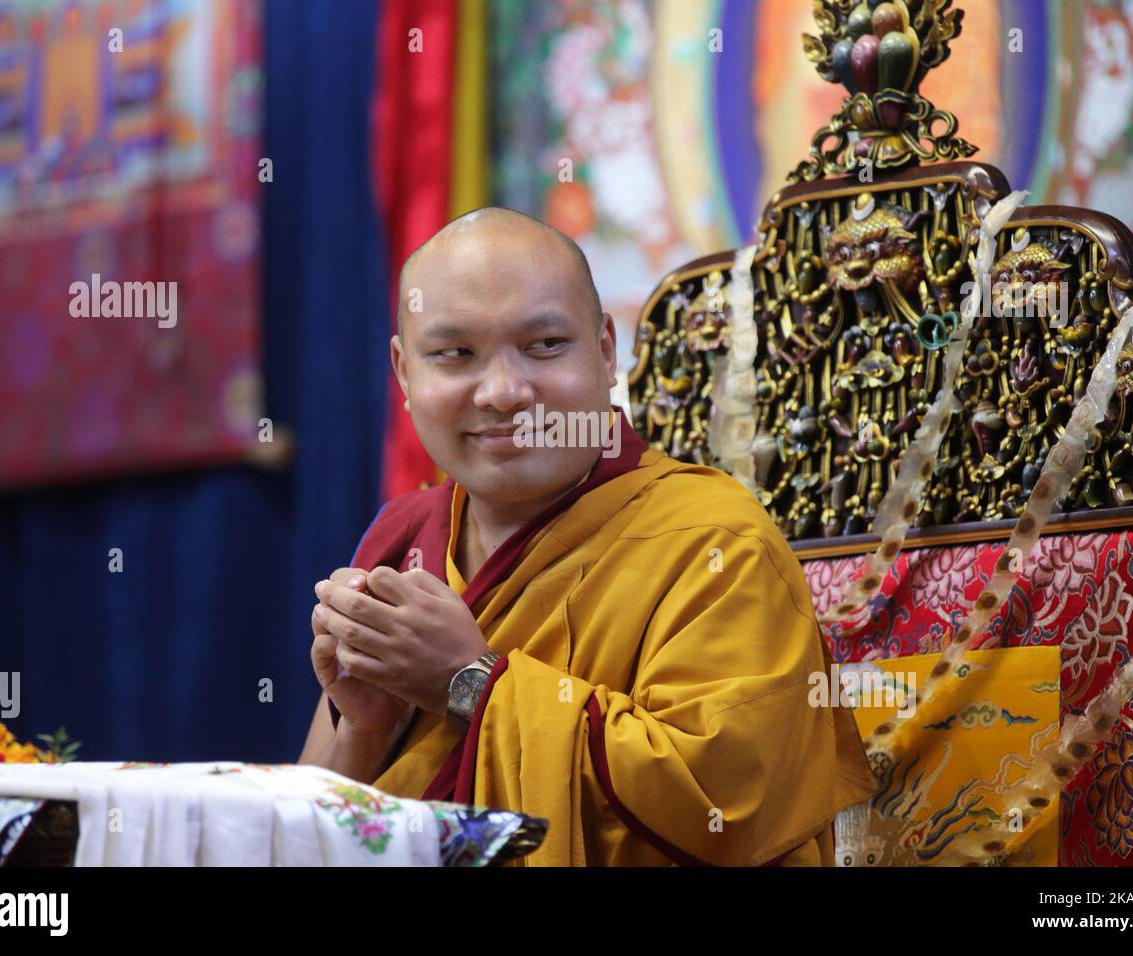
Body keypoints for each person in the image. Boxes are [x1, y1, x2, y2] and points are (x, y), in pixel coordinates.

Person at [298, 207, 876, 865]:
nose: (504, 392)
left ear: (605, 349)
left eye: (545, 345)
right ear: (404, 373)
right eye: (454, 354)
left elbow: (729, 812)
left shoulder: (713, 544)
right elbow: (295, 838)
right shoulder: (407, 542)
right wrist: (368, 730)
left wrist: (470, 682)